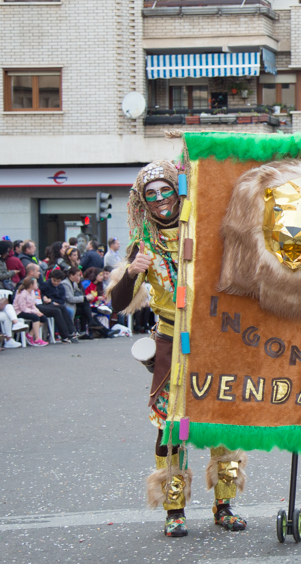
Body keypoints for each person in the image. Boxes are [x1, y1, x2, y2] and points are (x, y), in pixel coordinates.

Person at [110, 159, 249, 538]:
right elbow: (118, 304)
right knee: (170, 429)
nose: (159, 200)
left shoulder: (203, 230)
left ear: (178, 190)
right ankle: (175, 509)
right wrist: (134, 271)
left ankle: (225, 505)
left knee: (223, 423)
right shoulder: (144, 244)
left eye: (165, 190)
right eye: (150, 194)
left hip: (213, 340)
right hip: (170, 344)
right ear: (143, 201)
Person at [10, 277, 52, 346]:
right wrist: (34, 312)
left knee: (43, 318)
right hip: (19, 312)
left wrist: (37, 311)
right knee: (35, 318)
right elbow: (23, 308)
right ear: (30, 285)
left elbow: (32, 305)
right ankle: (37, 339)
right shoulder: (22, 294)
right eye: (35, 283)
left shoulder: (32, 292)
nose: (37, 285)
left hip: (29, 310)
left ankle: (30, 335)